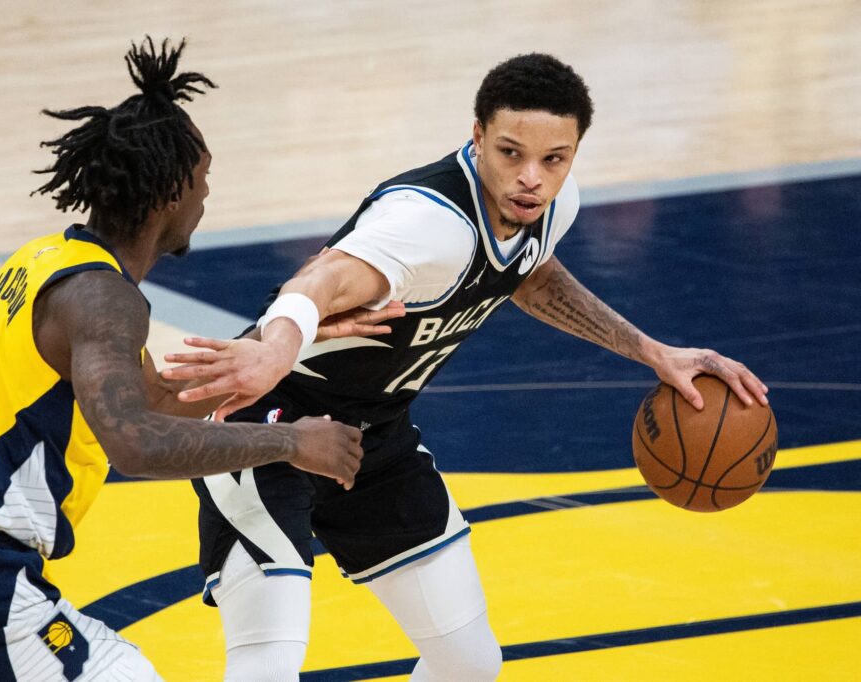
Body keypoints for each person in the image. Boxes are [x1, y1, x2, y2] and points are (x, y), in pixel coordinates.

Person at [164, 53, 770, 681]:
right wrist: (275, 351)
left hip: (373, 438)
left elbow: (529, 275)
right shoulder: (427, 222)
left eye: (554, 159)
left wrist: (652, 351)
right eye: (511, 153)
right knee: (268, 664)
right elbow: (322, 279)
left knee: (469, 664)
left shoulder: (549, 206)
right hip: (269, 422)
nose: (531, 178)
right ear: (477, 136)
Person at [0, 37, 392, 681]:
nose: (206, 197)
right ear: (171, 191)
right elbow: (136, 443)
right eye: (204, 179)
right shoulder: (106, 299)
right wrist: (291, 443)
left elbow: (157, 403)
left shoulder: (44, 261)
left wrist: (287, 338)